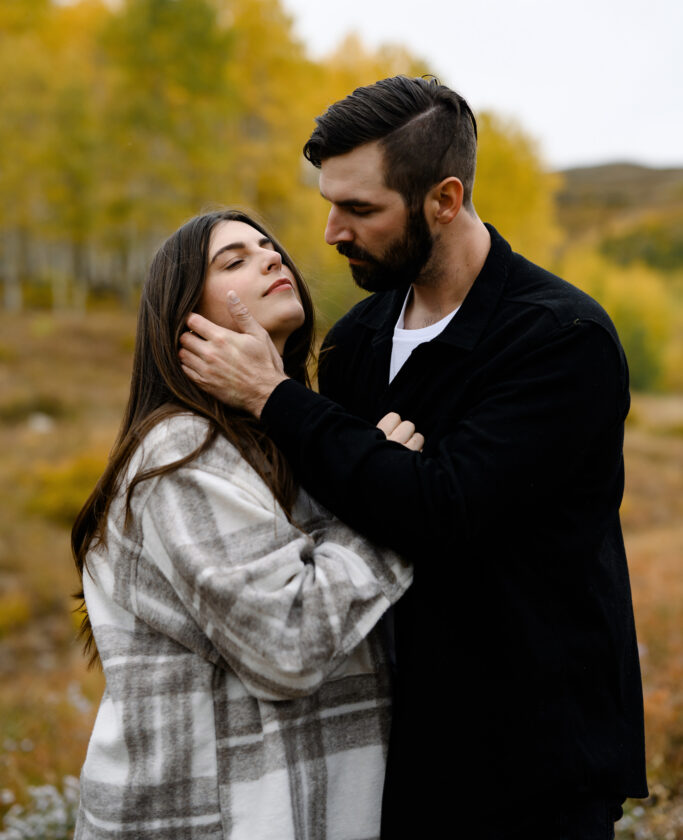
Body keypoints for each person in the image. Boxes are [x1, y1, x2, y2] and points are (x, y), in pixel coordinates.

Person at [179, 77, 648, 840]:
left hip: (535, 765)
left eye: (360, 210)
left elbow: (441, 511)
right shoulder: (356, 340)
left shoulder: (558, 339)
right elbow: (350, 510)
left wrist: (274, 397)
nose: (330, 232)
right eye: (330, 203)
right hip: (397, 753)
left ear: (444, 199)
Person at [71, 208, 415, 840]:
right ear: (187, 321)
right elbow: (289, 645)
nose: (272, 258)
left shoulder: (299, 436)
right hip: (206, 818)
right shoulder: (181, 453)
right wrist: (391, 498)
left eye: (269, 248)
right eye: (233, 261)